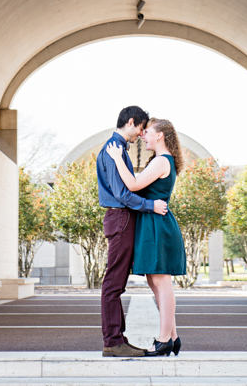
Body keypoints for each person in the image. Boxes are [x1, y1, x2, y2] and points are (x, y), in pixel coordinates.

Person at [106, 117, 186, 357]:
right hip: (153, 223)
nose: (143, 135)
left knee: (161, 282)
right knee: (155, 282)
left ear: (160, 135)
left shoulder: (162, 161)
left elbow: (132, 184)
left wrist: (118, 158)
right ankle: (172, 337)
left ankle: (163, 341)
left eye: (147, 131)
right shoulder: (161, 160)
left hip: (157, 226)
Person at [96, 106, 168, 357]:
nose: (141, 133)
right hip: (120, 218)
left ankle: (117, 340)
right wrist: (150, 205)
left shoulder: (118, 149)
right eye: (141, 127)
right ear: (130, 122)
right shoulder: (113, 149)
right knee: (113, 284)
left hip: (121, 218)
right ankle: (113, 342)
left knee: (116, 284)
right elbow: (122, 194)